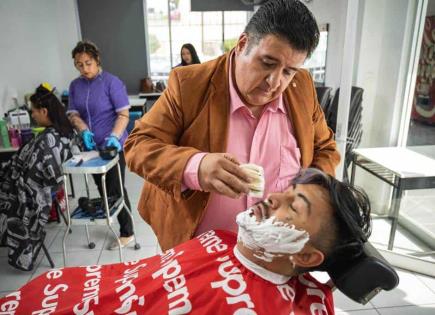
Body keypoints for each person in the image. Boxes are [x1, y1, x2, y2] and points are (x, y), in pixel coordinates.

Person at [0, 168, 372, 314]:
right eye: (287, 190)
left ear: (306, 257)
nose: (273, 197)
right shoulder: (226, 240)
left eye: (295, 205)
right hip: (63, 291)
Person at [124, 0, 340, 251]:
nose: (274, 82)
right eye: (267, 63)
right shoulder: (190, 84)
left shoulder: (301, 86)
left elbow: (325, 148)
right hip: (199, 249)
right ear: (242, 45)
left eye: (288, 71)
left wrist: (307, 194)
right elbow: (138, 145)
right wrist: (196, 167)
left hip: (273, 249)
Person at [67, 40, 135, 250]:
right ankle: (113, 216)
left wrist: (114, 137)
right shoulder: (75, 86)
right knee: (101, 187)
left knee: (115, 188)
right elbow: (73, 113)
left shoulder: (111, 83)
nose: (84, 68)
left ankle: (128, 232)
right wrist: (83, 129)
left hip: (112, 146)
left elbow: (123, 114)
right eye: (79, 64)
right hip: (91, 148)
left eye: (88, 63)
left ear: (97, 60)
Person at [0, 83, 74, 271]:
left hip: (29, 194)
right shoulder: (65, 131)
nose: (32, 115)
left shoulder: (44, 142)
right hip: (44, 187)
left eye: (33, 111)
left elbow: (28, 178)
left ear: (43, 111)